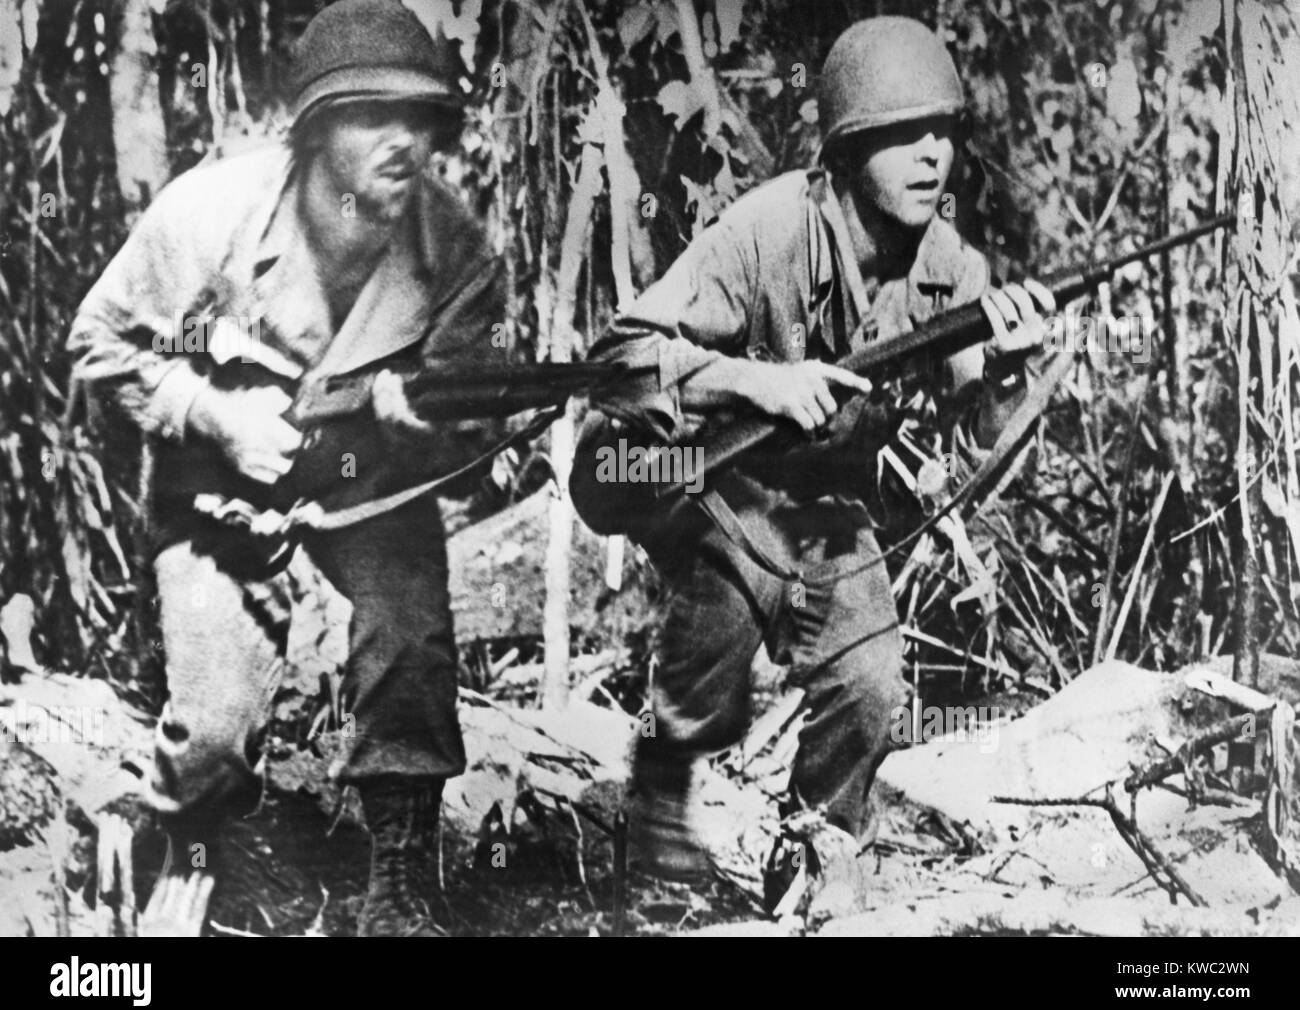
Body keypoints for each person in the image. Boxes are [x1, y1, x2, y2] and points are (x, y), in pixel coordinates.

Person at [573, 15, 1055, 881]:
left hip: (820, 501)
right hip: (674, 467)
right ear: (844, 146)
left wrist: (1011, 377)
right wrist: (756, 382)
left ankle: (814, 854)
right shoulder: (768, 232)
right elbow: (617, 358)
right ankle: (658, 809)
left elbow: (973, 448)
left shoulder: (953, 271)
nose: (929, 156)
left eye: (941, 132)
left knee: (871, 681)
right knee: (739, 577)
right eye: (899, 135)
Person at [68, 0, 506, 935]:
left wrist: (420, 422)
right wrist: (214, 414)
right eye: (370, 116)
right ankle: (186, 844)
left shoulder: (457, 252)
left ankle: (398, 871)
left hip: (366, 479)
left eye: (419, 117)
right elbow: (96, 345)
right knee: (214, 734)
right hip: (216, 482)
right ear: (315, 130)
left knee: (411, 634)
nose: (402, 141)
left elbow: (467, 453)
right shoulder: (210, 211)